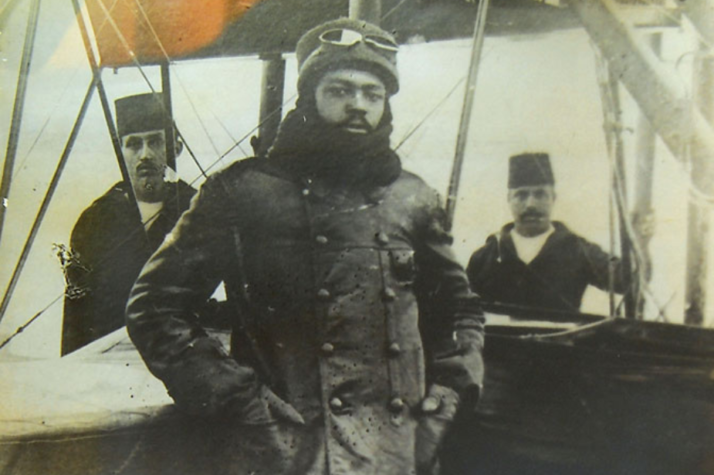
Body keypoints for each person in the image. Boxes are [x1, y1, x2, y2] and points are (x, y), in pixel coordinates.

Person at [126, 18, 484, 475]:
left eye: (372, 94)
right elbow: (154, 309)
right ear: (310, 95)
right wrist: (240, 400)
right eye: (339, 90)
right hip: (288, 453)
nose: (358, 105)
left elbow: (460, 309)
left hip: (399, 454)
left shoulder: (411, 197)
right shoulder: (242, 192)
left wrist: (451, 389)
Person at [61, 93, 196, 355]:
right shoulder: (95, 221)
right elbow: (77, 317)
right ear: (121, 152)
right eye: (133, 144)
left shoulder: (197, 209)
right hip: (112, 362)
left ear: (175, 148)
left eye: (155, 141)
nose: (145, 154)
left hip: (183, 356)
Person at [467, 152, 638, 314]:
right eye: (521, 195)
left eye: (540, 194)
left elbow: (626, 280)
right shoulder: (485, 257)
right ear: (509, 199)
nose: (530, 204)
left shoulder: (577, 250)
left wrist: (640, 242)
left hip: (559, 343)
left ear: (553, 198)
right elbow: (461, 310)